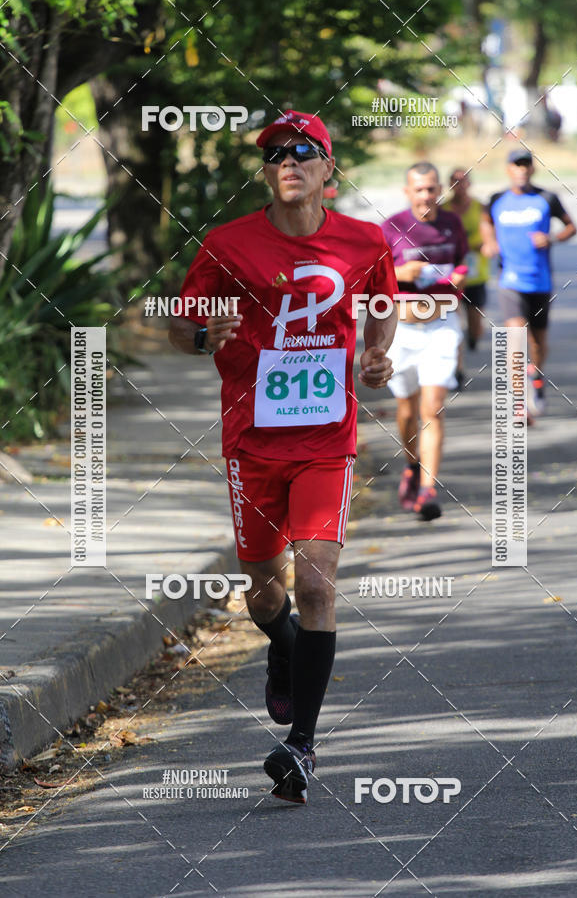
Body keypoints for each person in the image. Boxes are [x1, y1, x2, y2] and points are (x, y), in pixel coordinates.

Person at [169, 110, 397, 804]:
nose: (286, 160)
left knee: (318, 582)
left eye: (302, 150)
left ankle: (302, 746)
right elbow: (181, 328)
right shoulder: (229, 243)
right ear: (266, 171)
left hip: (326, 437)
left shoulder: (364, 240)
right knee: (264, 591)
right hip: (251, 440)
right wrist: (209, 334)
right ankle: (284, 644)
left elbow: (383, 300)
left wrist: (378, 350)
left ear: (329, 166)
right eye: (273, 153)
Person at [381, 162, 468, 522]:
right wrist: (399, 272)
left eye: (432, 188)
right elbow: (371, 276)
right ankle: (411, 466)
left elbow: (464, 264)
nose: (427, 195)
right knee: (407, 409)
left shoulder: (452, 225)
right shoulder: (391, 227)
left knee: (432, 407)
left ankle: (429, 489)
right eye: (419, 189)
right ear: (407, 191)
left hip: (442, 326)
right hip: (402, 330)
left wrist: (459, 280)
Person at [481, 148, 577, 415]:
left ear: (532, 169)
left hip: (540, 281)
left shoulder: (547, 198)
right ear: (508, 169)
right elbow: (485, 221)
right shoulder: (497, 199)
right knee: (515, 338)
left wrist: (553, 238)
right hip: (510, 281)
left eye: (526, 165)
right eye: (516, 165)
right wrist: (489, 242)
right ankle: (518, 401)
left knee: (537, 342)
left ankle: (537, 377)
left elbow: (572, 227)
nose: (521, 170)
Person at [442, 168, 490, 351]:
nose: (459, 185)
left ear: (469, 183)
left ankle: (473, 337)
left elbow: (491, 233)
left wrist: (485, 245)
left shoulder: (480, 207)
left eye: (463, 181)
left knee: (475, 319)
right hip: (451, 271)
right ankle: (457, 348)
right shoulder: (442, 209)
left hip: (475, 271)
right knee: (452, 315)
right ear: (449, 185)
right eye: (455, 181)